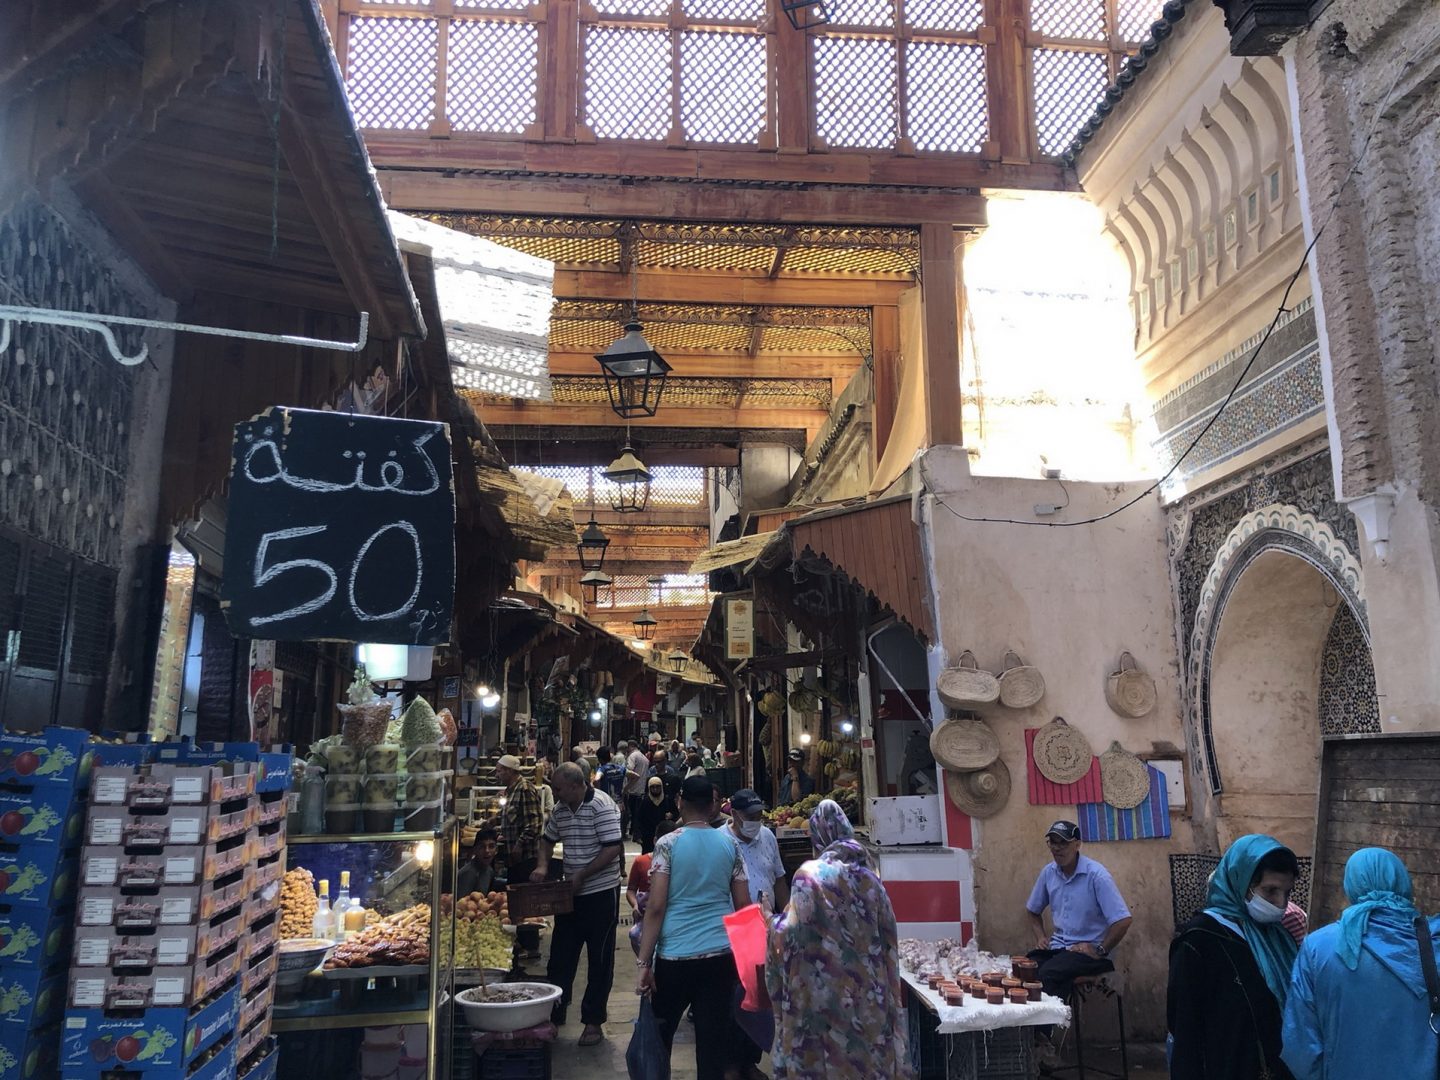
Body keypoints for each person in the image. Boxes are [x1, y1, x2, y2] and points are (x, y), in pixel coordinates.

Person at [767, 799, 912, 1080]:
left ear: (818, 835)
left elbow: (790, 935)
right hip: (868, 996)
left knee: (825, 1062)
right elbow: (888, 937)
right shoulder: (871, 878)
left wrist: (769, 922)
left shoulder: (809, 876)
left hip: (823, 998)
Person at [1281, 847, 1440, 1080]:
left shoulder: (1318, 947)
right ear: (1403, 882)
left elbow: (1300, 1047)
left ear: (1351, 886)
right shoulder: (1433, 941)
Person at [634, 775, 750, 1080]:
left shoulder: (668, 844)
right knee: (712, 1045)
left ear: (679, 802)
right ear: (713, 806)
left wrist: (645, 963)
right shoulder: (730, 845)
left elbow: (656, 907)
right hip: (720, 955)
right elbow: (744, 906)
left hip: (675, 957)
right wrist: (749, 962)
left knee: (662, 1036)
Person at [1167, 834, 1300, 1080]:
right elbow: (1185, 1031)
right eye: (1270, 891)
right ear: (1241, 883)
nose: (1281, 903)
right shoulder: (1199, 941)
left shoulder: (1279, 939)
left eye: (1286, 892)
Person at [533, 761, 624, 1046]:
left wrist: (583, 874)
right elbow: (547, 840)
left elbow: (613, 848)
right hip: (570, 896)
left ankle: (593, 1021)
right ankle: (555, 1014)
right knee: (561, 956)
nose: (555, 792)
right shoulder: (561, 810)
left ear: (575, 785)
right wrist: (542, 866)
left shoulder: (601, 805)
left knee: (599, 959)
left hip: (601, 894)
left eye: (558, 788)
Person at [1023, 819, 1132, 1003]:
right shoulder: (1049, 873)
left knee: (1049, 973)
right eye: (1053, 842)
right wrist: (1040, 937)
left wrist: (1100, 950)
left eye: (1063, 843)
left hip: (1090, 953)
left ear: (1077, 844)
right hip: (1060, 949)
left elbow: (1123, 920)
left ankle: (1047, 1028)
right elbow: (1033, 911)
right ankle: (1032, 1027)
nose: (1057, 848)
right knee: (1025, 968)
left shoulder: (1097, 875)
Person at [627, 819, 679, 954]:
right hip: (646, 915)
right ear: (655, 840)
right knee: (635, 935)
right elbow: (631, 890)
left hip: (671, 916)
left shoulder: (681, 863)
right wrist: (635, 905)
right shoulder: (641, 862)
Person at [634, 775, 678, 854]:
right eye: (652, 787)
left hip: (665, 834)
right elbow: (638, 818)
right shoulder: (645, 801)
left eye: (657, 787)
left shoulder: (667, 799)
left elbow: (676, 813)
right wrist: (638, 835)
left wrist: (672, 815)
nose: (655, 789)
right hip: (648, 836)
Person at [457, 827, 502, 896]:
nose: (487, 851)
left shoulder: (489, 871)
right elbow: (461, 904)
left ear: (496, 850)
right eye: (482, 847)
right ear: (475, 850)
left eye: (491, 846)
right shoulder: (468, 873)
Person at [624, 740, 650, 841]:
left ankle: (634, 834)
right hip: (641, 789)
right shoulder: (644, 758)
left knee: (631, 813)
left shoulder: (632, 756)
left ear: (631, 746)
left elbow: (628, 769)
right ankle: (636, 833)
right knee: (638, 813)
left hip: (632, 789)